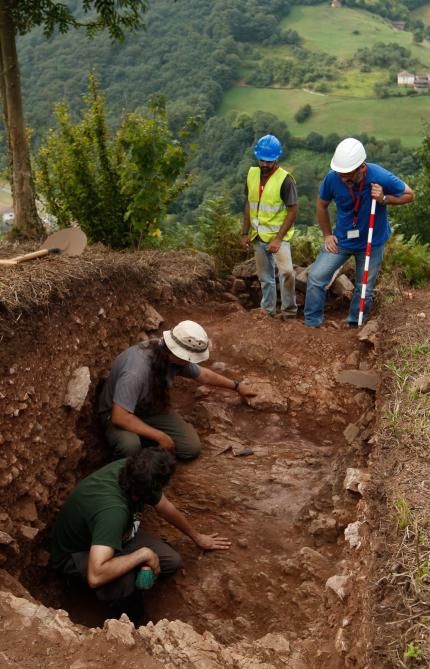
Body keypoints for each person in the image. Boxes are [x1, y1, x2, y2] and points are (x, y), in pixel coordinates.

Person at [50, 447, 231, 619]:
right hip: (78, 554)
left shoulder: (136, 473)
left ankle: (130, 569)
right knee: (126, 582)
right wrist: (142, 555)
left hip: (116, 535)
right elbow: (95, 575)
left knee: (171, 561)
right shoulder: (113, 512)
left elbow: (166, 508)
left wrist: (197, 537)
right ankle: (124, 614)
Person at [98, 320, 255, 459]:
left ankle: (143, 438)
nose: (190, 362)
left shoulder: (171, 356)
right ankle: (129, 465)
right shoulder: (136, 371)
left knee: (190, 448)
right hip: (118, 414)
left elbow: (204, 375)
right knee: (129, 447)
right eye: (188, 358)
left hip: (149, 408)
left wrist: (237, 386)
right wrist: (160, 436)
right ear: (175, 351)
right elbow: (120, 417)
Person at [304, 137, 414, 328]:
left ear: (362, 167)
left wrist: (384, 198)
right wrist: (327, 235)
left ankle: (355, 325)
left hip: (372, 242)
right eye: (340, 173)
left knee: (364, 288)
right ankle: (312, 324)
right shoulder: (333, 178)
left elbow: (409, 195)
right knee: (316, 276)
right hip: (343, 239)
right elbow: (321, 205)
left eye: (347, 174)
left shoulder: (379, 175)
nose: (342, 178)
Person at [240, 134, 298, 321]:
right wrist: (244, 232)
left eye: (269, 161)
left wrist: (278, 239)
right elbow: (249, 203)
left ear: (277, 159)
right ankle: (268, 312)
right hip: (258, 236)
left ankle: (289, 313)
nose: (264, 165)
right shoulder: (252, 174)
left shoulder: (286, 180)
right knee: (265, 277)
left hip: (278, 237)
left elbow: (292, 211)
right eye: (261, 160)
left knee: (287, 272)